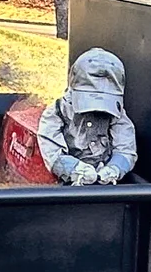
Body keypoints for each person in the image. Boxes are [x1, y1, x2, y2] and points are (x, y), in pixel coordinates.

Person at [36, 48, 138, 186]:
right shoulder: (59, 111)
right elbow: (50, 148)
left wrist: (115, 167)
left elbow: (126, 147)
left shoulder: (116, 115)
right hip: (68, 183)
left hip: (107, 184)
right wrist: (72, 168)